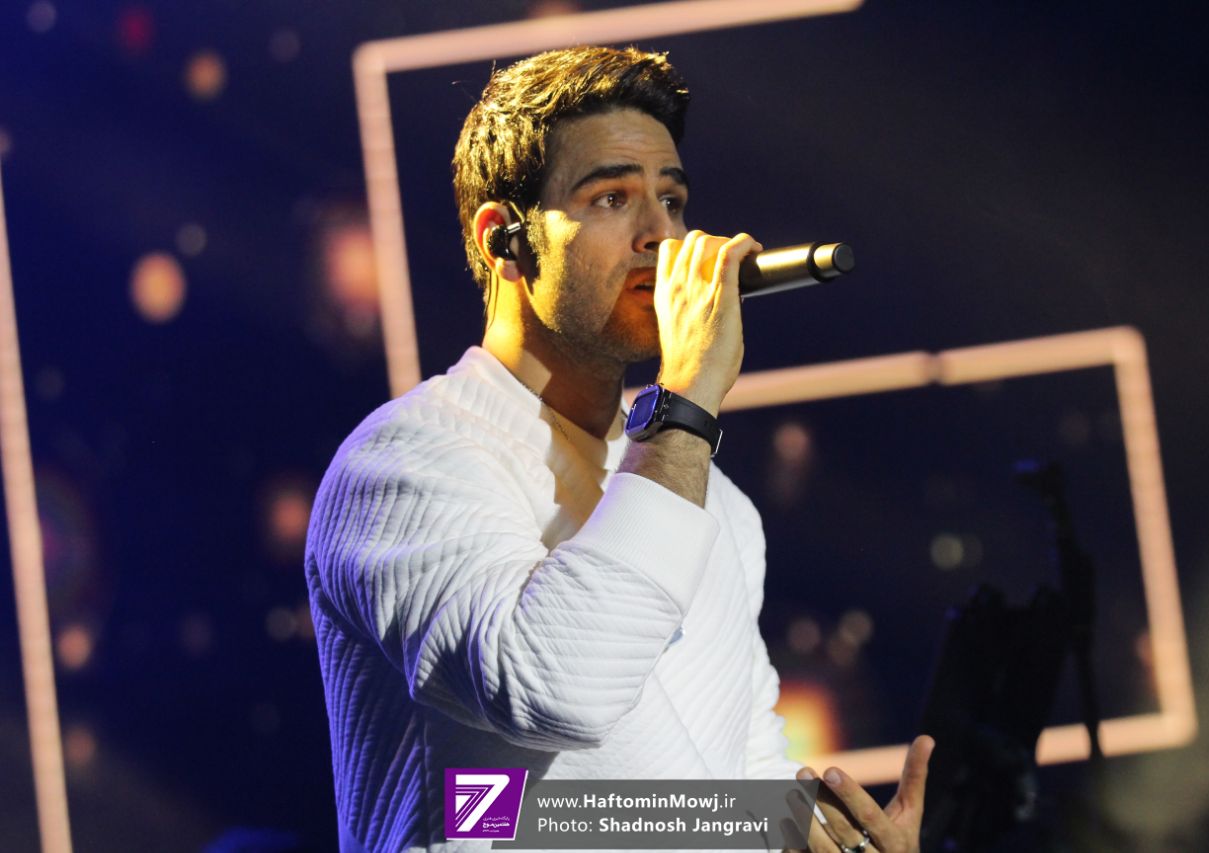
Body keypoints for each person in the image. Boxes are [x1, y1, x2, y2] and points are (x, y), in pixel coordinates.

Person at [305, 45, 932, 852]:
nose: (662, 237)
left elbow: (724, 781)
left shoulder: (713, 498)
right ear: (504, 239)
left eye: (672, 200)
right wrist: (688, 399)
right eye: (611, 197)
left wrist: (813, 835)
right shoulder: (406, 462)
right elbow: (536, 713)